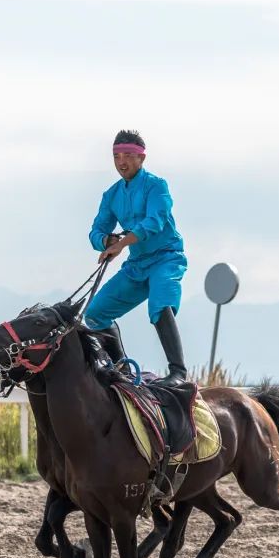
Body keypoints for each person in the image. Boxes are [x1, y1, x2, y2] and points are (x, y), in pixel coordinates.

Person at [84, 130, 188, 387]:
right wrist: (106, 241)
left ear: (141, 158)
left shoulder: (157, 186)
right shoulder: (111, 195)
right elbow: (96, 232)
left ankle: (178, 372)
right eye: (116, 156)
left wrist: (121, 243)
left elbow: (155, 221)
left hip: (166, 258)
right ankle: (122, 370)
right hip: (137, 266)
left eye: (128, 155)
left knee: (159, 304)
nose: (122, 161)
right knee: (95, 313)